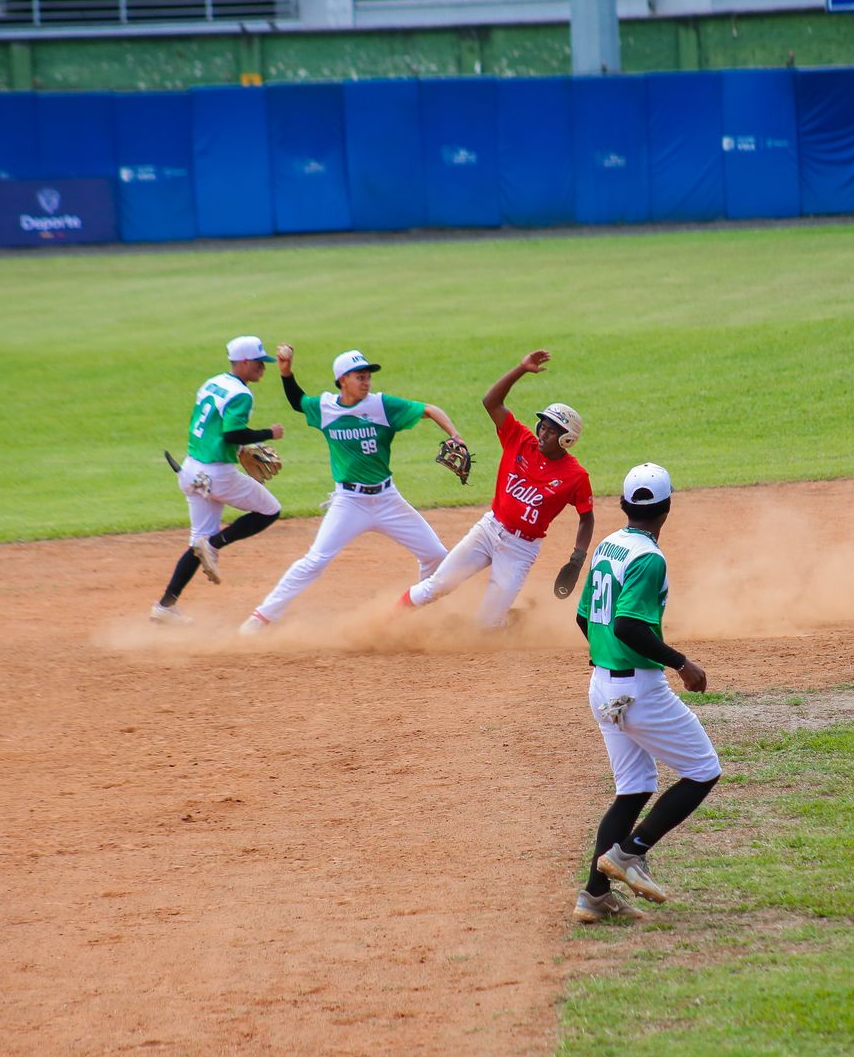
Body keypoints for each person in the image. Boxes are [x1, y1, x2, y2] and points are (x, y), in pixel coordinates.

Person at [573, 462, 722, 924]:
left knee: (634, 789)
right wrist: (682, 663)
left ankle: (594, 897)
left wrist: (606, 653)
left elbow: (585, 618)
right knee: (703, 769)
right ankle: (631, 853)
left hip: (602, 686)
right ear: (667, 507)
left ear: (621, 505)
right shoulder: (648, 558)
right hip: (638, 689)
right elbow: (629, 625)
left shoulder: (609, 545)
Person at [241, 346, 466, 634]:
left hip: (387, 500)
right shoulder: (326, 408)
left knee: (436, 555)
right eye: (360, 376)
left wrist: (455, 435)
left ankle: (420, 615)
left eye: (368, 377)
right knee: (314, 562)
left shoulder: (382, 405)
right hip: (349, 502)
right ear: (342, 380)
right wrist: (286, 372)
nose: (367, 382)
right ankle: (259, 620)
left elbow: (430, 410)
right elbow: (299, 402)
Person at [399, 349, 595, 628]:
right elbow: (491, 402)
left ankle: (514, 622)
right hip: (489, 528)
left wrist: (577, 558)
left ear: (567, 440)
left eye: (552, 430)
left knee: (486, 626)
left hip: (521, 548)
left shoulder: (575, 476)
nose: (543, 432)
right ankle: (384, 622)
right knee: (435, 586)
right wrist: (521, 368)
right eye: (543, 425)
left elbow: (587, 516)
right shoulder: (520, 439)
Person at [151, 335, 286, 624]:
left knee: (196, 543)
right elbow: (231, 434)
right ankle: (215, 544)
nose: (264, 368)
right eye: (260, 363)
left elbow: (211, 428)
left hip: (190, 470)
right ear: (245, 362)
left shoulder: (212, 383)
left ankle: (165, 606)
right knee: (270, 510)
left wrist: (238, 450)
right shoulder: (241, 394)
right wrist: (268, 433)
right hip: (217, 474)